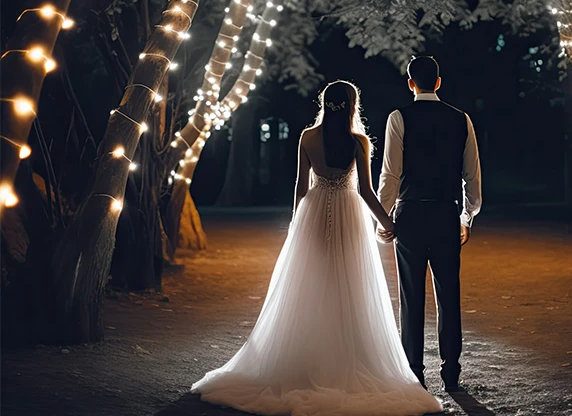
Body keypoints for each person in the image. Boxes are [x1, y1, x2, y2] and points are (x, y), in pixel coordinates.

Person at [192, 81, 442, 416]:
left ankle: (308, 355)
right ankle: (343, 355)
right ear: (353, 105)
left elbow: (300, 184)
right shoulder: (358, 142)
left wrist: (297, 222)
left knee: (310, 283)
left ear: (325, 103)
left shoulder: (308, 137)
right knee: (349, 284)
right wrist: (387, 222)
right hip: (348, 214)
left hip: (314, 209)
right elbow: (366, 191)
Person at [377, 56, 482, 393]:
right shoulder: (461, 119)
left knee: (411, 298)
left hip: (409, 216)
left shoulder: (398, 118)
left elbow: (390, 174)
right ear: (438, 82)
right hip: (445, 214)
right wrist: (467, 215)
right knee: (448, 294)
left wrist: (383, 216)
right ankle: (451, 372)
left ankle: (415, 372)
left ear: (411, 83)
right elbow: (472, 176)